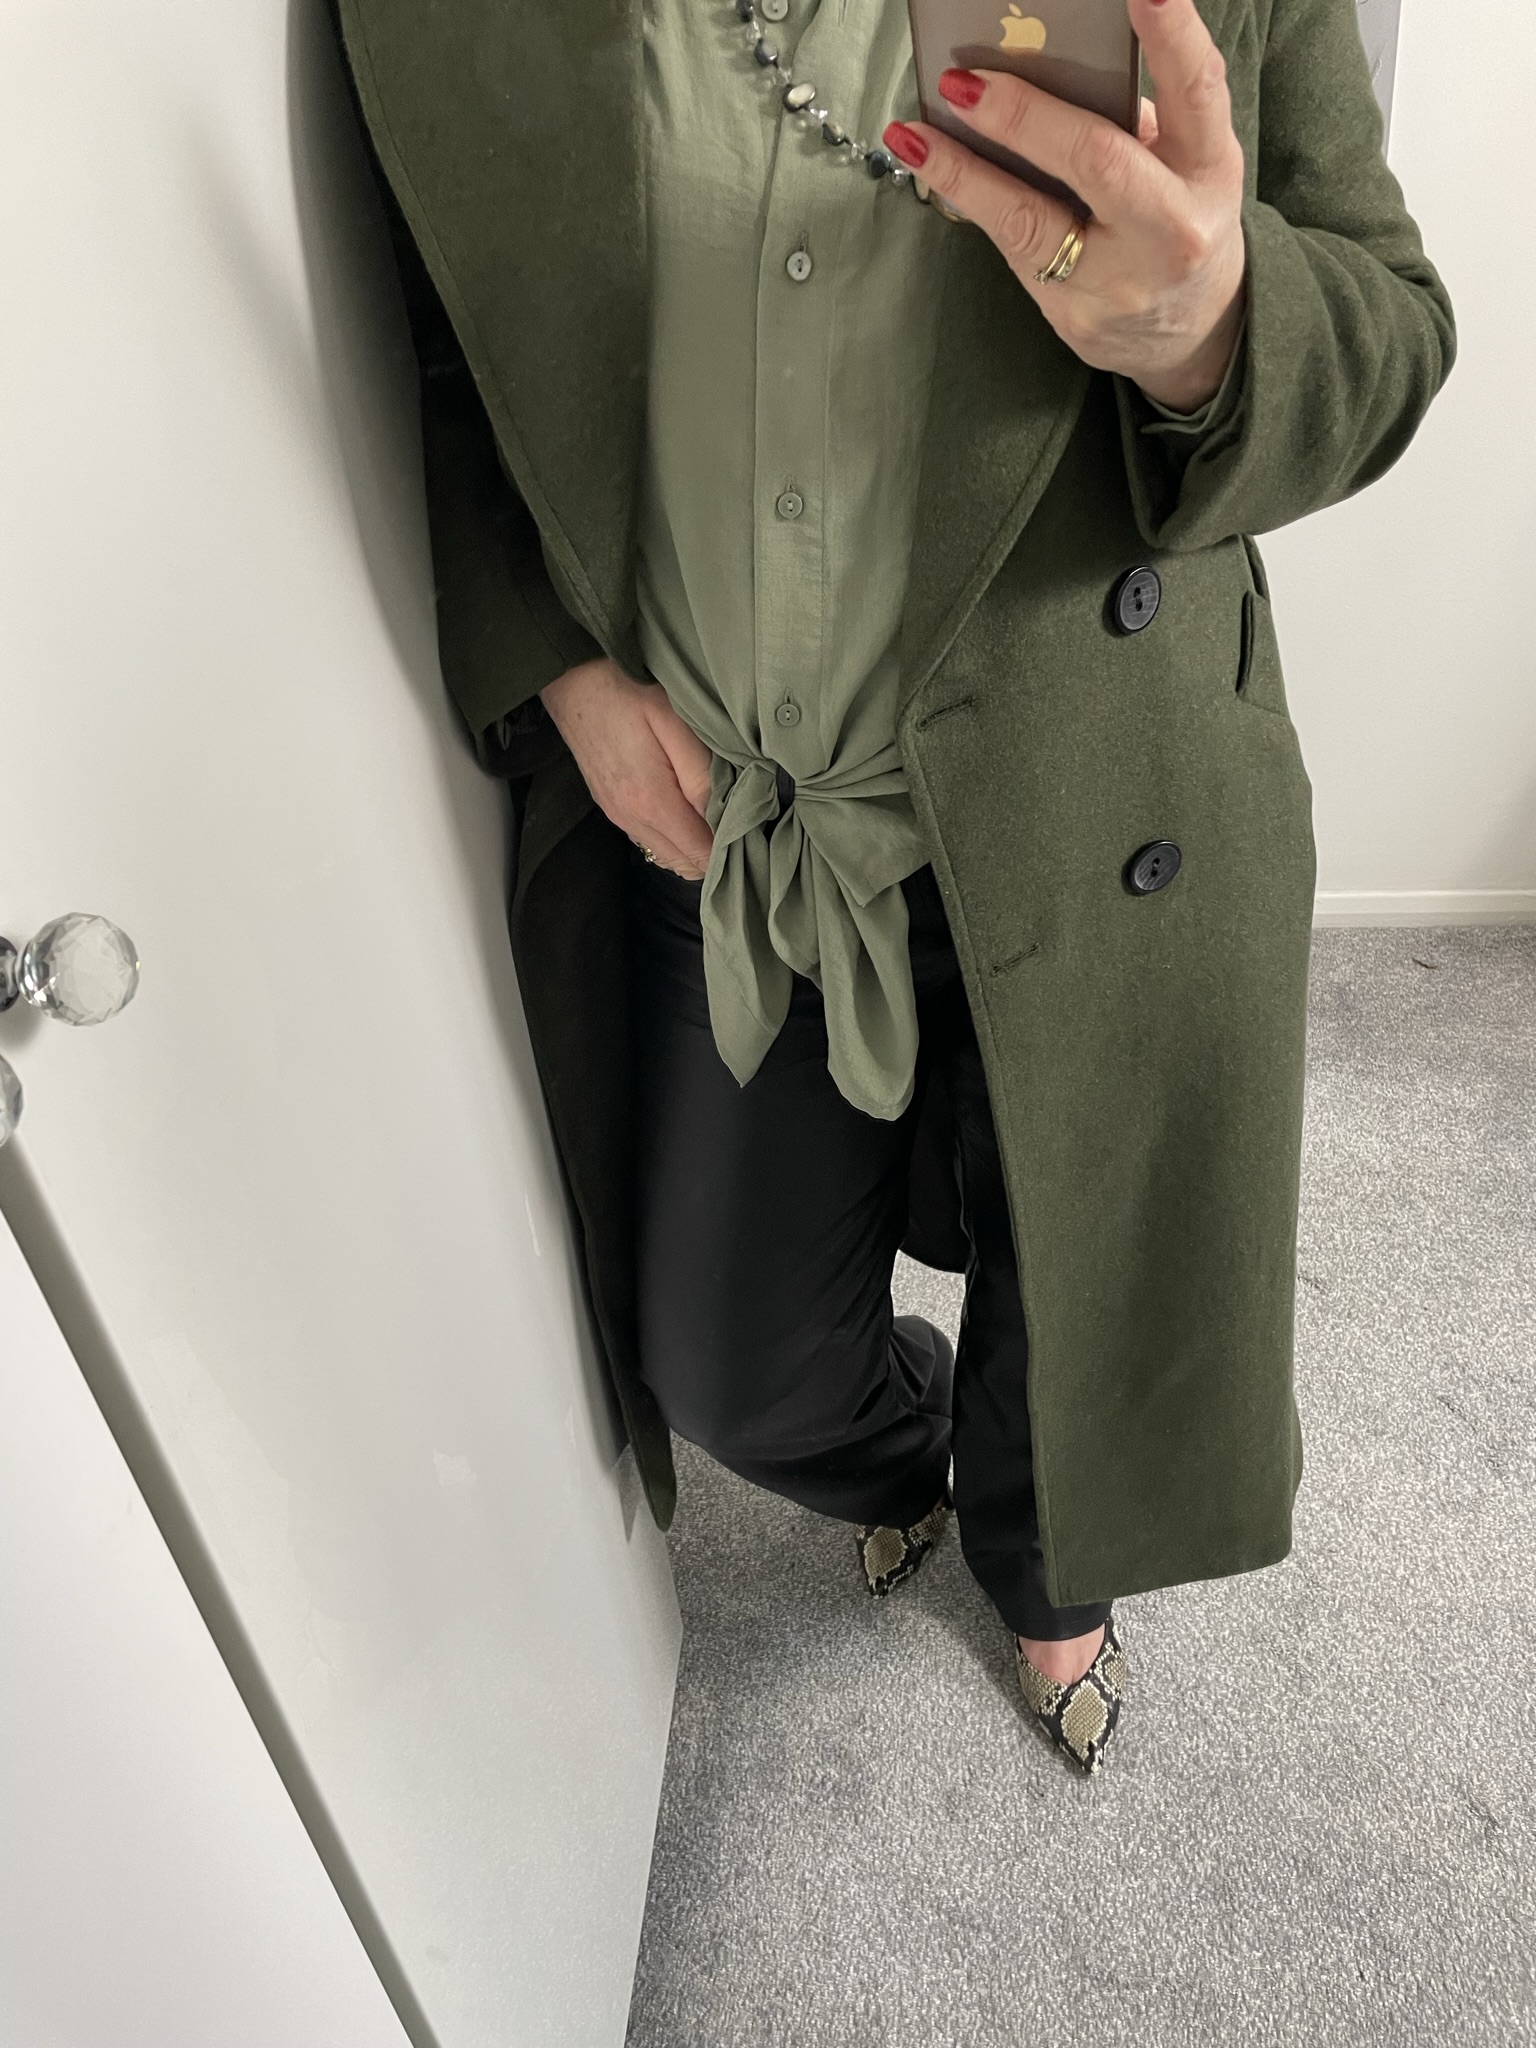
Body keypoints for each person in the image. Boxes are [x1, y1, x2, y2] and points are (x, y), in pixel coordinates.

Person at [333, 0, 1452, 1774]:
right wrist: (557, 662)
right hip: (731, 823)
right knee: (736, 1370)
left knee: (1084, 1298)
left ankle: (1045, 1555)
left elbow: (1387, 329)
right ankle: (903, 1460)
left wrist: (1211, 331)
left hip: (1103, 788)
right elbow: (461, 332)